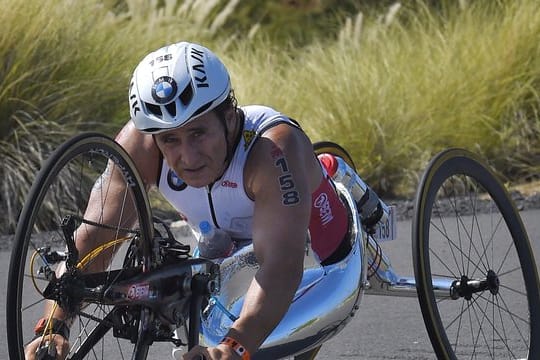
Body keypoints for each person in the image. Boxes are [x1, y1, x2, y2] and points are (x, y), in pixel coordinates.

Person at [25, 41, 350, 360]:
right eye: (170, 139)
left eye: (198, 133)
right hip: (223, 246)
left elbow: (281, 266)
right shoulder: (142, 145)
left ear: (230, 115)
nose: (187, 156)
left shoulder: (271, 150)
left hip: (311, 246)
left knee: (262, 341)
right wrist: (54, 325)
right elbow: (94, 240)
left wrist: (235, 347)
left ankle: (333, 175)